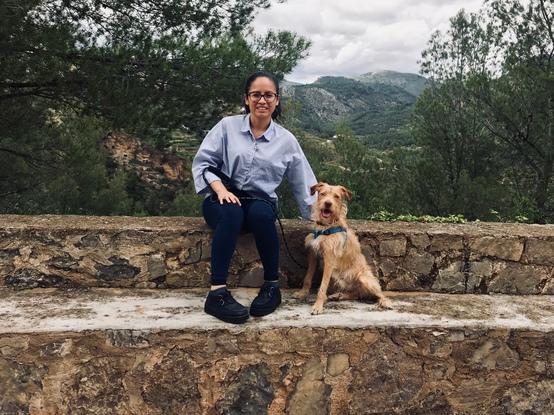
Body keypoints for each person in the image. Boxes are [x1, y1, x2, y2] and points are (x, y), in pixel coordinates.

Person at [191, 70, 317, 324]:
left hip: (259, 204)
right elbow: (203, 164)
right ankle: (217, 294)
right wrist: (221, 191)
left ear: (277, 100)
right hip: (221, 199)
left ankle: (271, 288)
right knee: (231, 211)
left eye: (268, 95)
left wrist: (320, 221)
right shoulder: (226, 127)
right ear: (246, 99)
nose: (262, 100)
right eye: (256, 94)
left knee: (262, 214)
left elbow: (303, 182)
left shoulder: (287, 141)